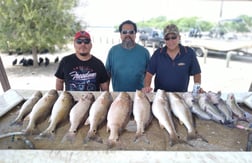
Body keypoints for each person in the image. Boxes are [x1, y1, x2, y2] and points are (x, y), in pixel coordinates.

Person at [142, 24, 202, 93]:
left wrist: (196, 90)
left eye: (173, 37)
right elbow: (149, 74)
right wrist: (147, 87)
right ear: (164, 40)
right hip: (160, 96)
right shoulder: (158, 54)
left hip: (181, 96)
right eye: (167, 38)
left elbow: (197, 74)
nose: (171, 41)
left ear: (179, 37)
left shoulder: (189, 53)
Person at [105, 20, 150, 92]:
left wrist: (146, 88)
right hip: (118, 96)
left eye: (131, 32)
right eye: (124, 32)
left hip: (138, 96)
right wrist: (106, 92)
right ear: (120, 34)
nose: (127, 35)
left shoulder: (144, 52)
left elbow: (148, 74)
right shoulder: (113, 51)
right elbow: (107, 74)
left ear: (135, 34)